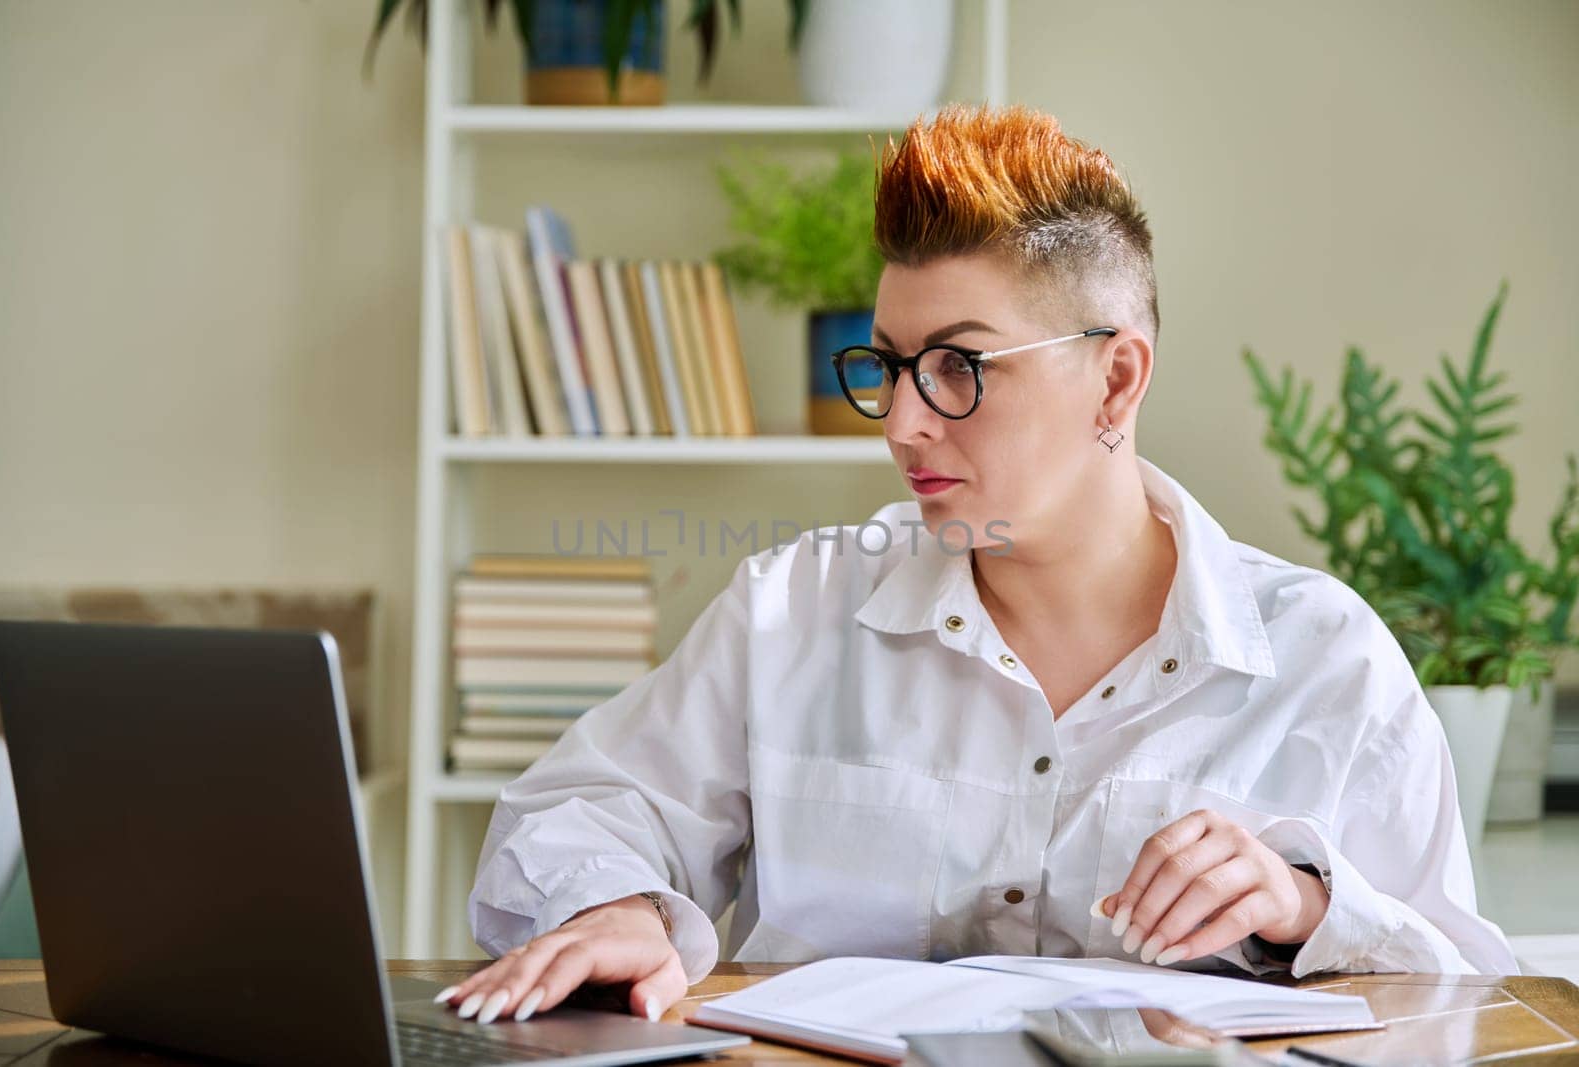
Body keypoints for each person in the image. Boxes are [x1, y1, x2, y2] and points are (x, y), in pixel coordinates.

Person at [437, 103, 1517, 1027]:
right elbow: (578, 808)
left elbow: (1470, 1001)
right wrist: (613, 903)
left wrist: (1301, 906)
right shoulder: (792, 608)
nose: (903, 421)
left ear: (1116, 380)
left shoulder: (1326, 663)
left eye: (959, 365)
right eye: (890, 365)